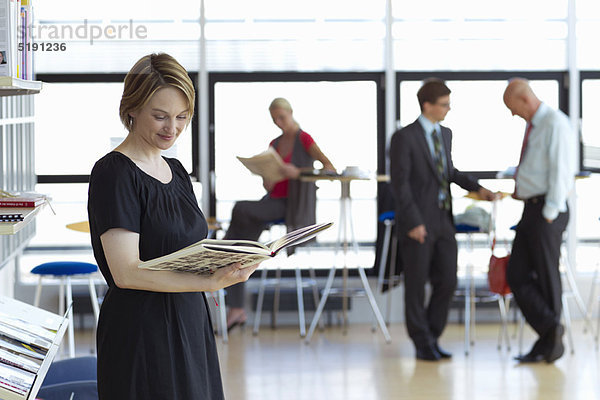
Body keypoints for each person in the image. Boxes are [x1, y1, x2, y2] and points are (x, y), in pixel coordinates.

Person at [87, 53, 259, 399]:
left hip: (190, 318)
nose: (172, 128)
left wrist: (224, 263)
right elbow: (126, 273)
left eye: (182, 117)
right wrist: (208, 281)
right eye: (160, 116)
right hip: (140, 330)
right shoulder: (114, 173)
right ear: (131, 109)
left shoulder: (178, 172)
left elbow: (185, 246)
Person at [389, 78, 497, 361]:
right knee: (416, 284)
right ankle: (422, 342)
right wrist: (413, 222)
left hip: (442, 219)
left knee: (448, 280)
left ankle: (432, 335)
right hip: (417, 222)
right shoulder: (404, 137)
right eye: (444, 105)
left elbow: (449, 171)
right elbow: (400, 185)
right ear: (427, 105)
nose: (448, 109)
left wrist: (478, 188)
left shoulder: (444, 134)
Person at [225, 97, 336, 330]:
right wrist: (267, 178)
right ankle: (236, 305)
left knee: (240, 210)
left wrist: (298, 172)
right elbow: (271, 184)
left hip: (291, 205)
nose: (278, 122)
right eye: (274, 119)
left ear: (291, 112)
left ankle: (225, 252)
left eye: (281, 117)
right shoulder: (275, 143)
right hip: (273, 199)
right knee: (241, 249)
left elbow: (329, 169)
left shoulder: (304, 139)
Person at [503, 78, 578, 363]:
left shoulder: (555, 124)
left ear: (524, 100)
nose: (513, 114)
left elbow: (562, 171)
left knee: (546, 278)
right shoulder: (535, 125)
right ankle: (550, 331)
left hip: (548, 209)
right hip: (532, 208)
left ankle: (549, 343)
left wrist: (549, 213)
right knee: (517, 275)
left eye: (512, 108)